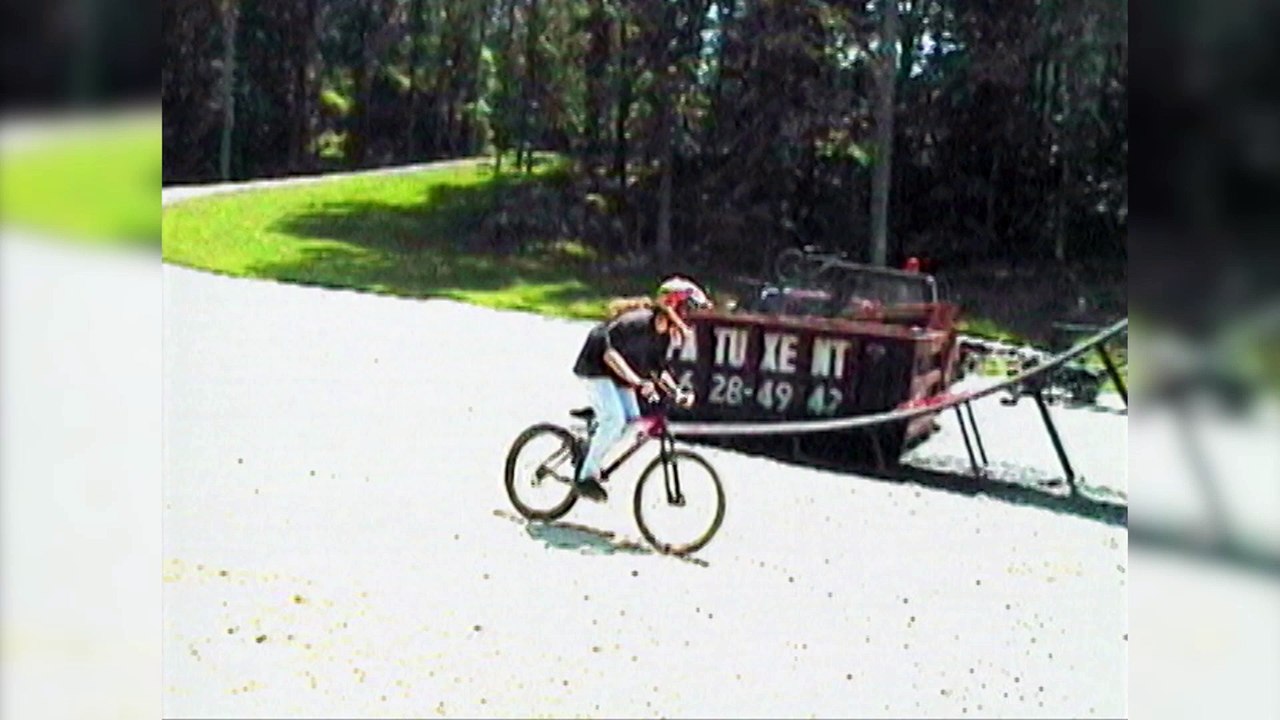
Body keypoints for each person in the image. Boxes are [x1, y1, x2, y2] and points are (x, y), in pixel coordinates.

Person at [569, 276, 712, 501]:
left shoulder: (663, 335)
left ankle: (590, 447)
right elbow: (610, 355)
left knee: (633, 424)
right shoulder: (638, 323)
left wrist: (676, 392)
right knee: (615, 419)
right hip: (596, 368)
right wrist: (637, 382)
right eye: (687, 310)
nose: (689, 318)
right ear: (672, 305)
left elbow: (658, 369)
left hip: (621, 376)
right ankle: (585, 477)